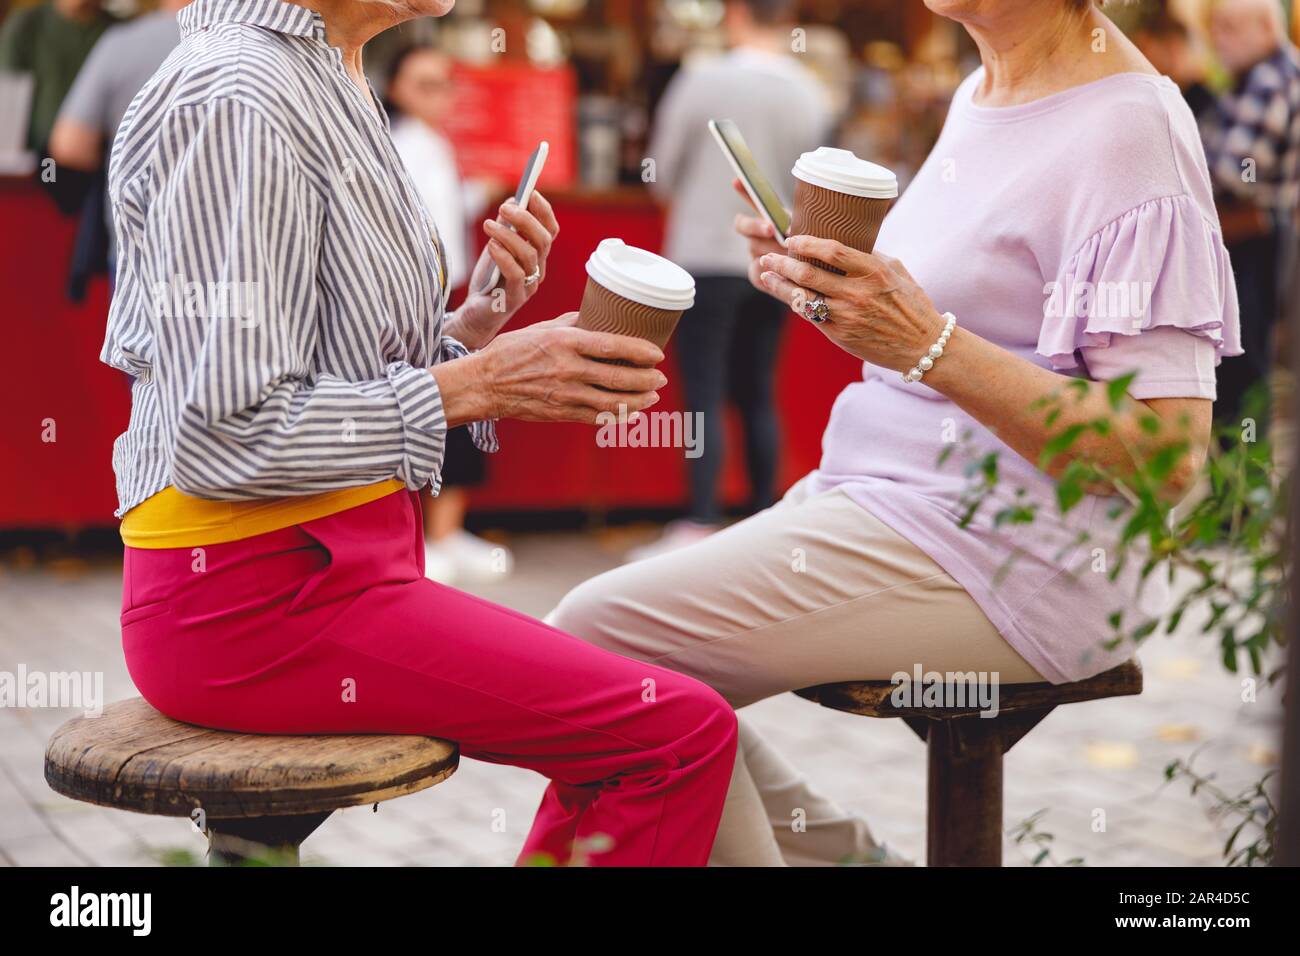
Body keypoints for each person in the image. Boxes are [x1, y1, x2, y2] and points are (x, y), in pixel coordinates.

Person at [549, 0, 1240, 866]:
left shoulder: (1131, 127)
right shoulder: (980, 89)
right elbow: (942, 325)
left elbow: (1166, 461)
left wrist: (926, 345)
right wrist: (832, 287)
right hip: (883, 501)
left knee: (595, 642)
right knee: (605, 668)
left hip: (1018, 557)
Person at [104, 0, 737, 867]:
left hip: (329, 570)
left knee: (654, 723)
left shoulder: (322, 68)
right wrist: (479, 384)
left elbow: (313, 373)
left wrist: (471, 329)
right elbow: (232, 434)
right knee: (676, 734)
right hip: (252, 600)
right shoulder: (240, 92)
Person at [626, 0, 831, 562]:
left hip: (702, 257)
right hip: (772, 261)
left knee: (704, 393)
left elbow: (659, 172)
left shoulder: (699, 80)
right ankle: (766, 521)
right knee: (758, 391)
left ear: (736, 15)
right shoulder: (809, 92)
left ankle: (698, 522)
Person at [384, 43, 511, 586]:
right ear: (396, 88)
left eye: (445, 84)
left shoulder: (435, 143)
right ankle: (429, 536)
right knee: (437, 403)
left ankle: (446, 531)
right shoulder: (393, 143)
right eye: (424, 84)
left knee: (459, 408)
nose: (439, 96)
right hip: (414, 296)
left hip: (452, 288)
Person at [1202, 0, 1300, 428]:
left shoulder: (1270, 80)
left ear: (1264, 27)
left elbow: (1238, 175)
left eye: (1230, 28)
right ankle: (1241, 480)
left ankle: (1243, 483)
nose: (1218, 39)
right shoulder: (1256, 78)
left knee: (1241, 361)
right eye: (1216, 28)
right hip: (1257, 236)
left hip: (1254, 239)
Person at [49, 0, 187, 297]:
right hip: (233, 255)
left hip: (138, 248)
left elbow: (69, 145)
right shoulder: (259, 46)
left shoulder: (122, 44)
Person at [0, 0, 113, 152]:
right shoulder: (25, 26)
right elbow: (8, 98)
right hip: (37, 153)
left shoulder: (118, 30)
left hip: (99, 153)